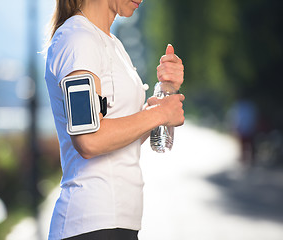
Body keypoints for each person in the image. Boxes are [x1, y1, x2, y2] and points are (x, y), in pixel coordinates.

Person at [44, 0, 185, 239]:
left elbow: (122, 135)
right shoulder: (78, 39)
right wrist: (159, 113)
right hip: (90, 224)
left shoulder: (112, 44)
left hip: (119, 224)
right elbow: (89, 139)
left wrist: (165, 91)